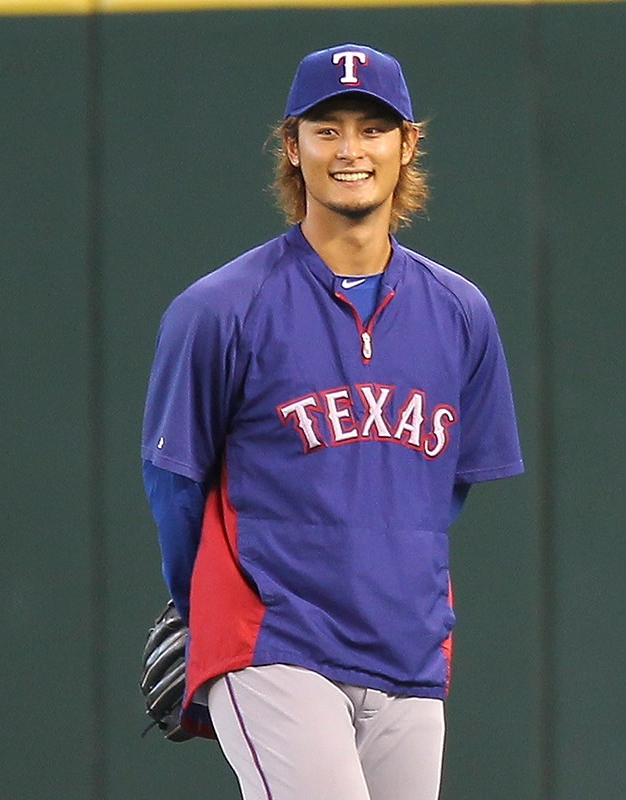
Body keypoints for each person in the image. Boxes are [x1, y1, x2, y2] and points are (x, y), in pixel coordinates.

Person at [141, 43, 524, 800]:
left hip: (409, 649)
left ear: (408, 143)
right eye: (327, 128)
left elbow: (442, 489)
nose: (351, 149)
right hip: (273, 640)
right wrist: (202, 611)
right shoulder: (220, 308)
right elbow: (172, 484)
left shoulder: (460, 312)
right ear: (292, 145)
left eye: (373, 128)